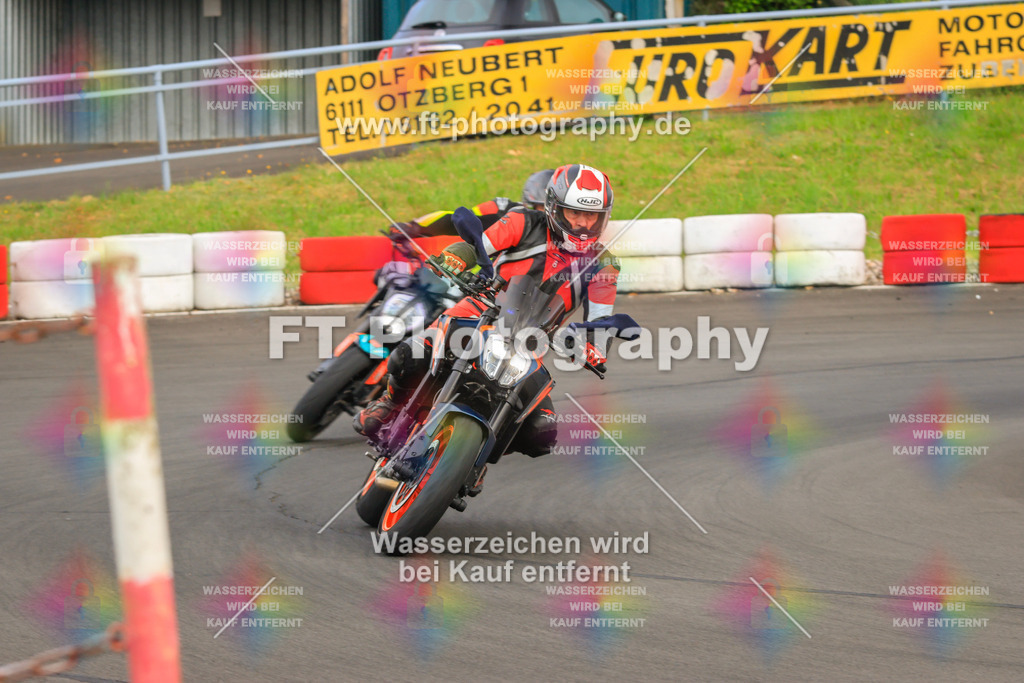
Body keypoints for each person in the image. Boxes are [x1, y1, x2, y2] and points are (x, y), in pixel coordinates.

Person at [355, 164, 621, 465]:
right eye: (575, 214)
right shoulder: (524, 221)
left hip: (530, 343)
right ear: (554, 208)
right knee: (411, 354)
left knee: (541, 434)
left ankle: (471, 456)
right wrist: (457, 257)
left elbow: (601, 320)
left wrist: (593, 348)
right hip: (481, 309)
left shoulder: (604, 265)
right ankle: (389, 403)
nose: (583, 224)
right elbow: (479, 244)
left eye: (592, 216)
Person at [389, 169, 553, 239]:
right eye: (541, 208)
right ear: (529, 204)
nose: (547, 215)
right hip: (492, 286)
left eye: (554, 210)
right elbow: (455, 218)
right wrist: (415, 226)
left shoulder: (576, 233)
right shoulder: (505, 210)